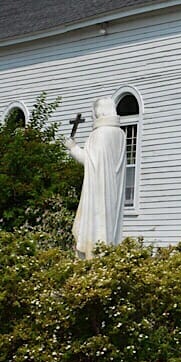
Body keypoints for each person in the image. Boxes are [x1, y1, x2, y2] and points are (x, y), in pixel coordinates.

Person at [64, 96, 127, 259]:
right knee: (108, 229)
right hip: (113, 192)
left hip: (98, 192)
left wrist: (73, 148)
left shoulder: (99, 134)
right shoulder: (120, 134)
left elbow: (90, 162)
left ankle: (94, 261)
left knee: (96, 229)